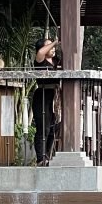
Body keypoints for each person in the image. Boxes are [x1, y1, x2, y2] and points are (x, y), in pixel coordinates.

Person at [32, 36, 60, 166]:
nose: (53, 48)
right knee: (43, 128)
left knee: (53, 128)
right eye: (49, 46)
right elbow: (40, 52)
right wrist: (54, 42)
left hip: (55, 95)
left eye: (53, 46)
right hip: (42, 94)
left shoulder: (56, 60)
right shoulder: (40, 60)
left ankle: (47, 156)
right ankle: (40, 158)